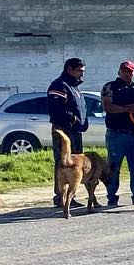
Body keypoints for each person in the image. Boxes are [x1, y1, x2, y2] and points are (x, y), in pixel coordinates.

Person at [101, 60, 134, 207]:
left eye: (129, 71)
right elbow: (108, 106)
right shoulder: (110, 87)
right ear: (119, 72)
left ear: (133, 74)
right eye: (124, 70)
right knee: (114, 167)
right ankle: (112, 197)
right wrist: (127, 109)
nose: (126, 73)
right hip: (116, 134)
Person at [46, 57, 89, 207]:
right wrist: (73, 119)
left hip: (75, 131)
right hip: (63, 131)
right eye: (79, 71)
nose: (82, 74)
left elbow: (79, 108)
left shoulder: (74, 86)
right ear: (69, 69)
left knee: (74, 164)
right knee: (64, 163)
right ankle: (60, 197)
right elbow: (56, 109)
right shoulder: (59, 85)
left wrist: (83, 122)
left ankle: (71, 196)